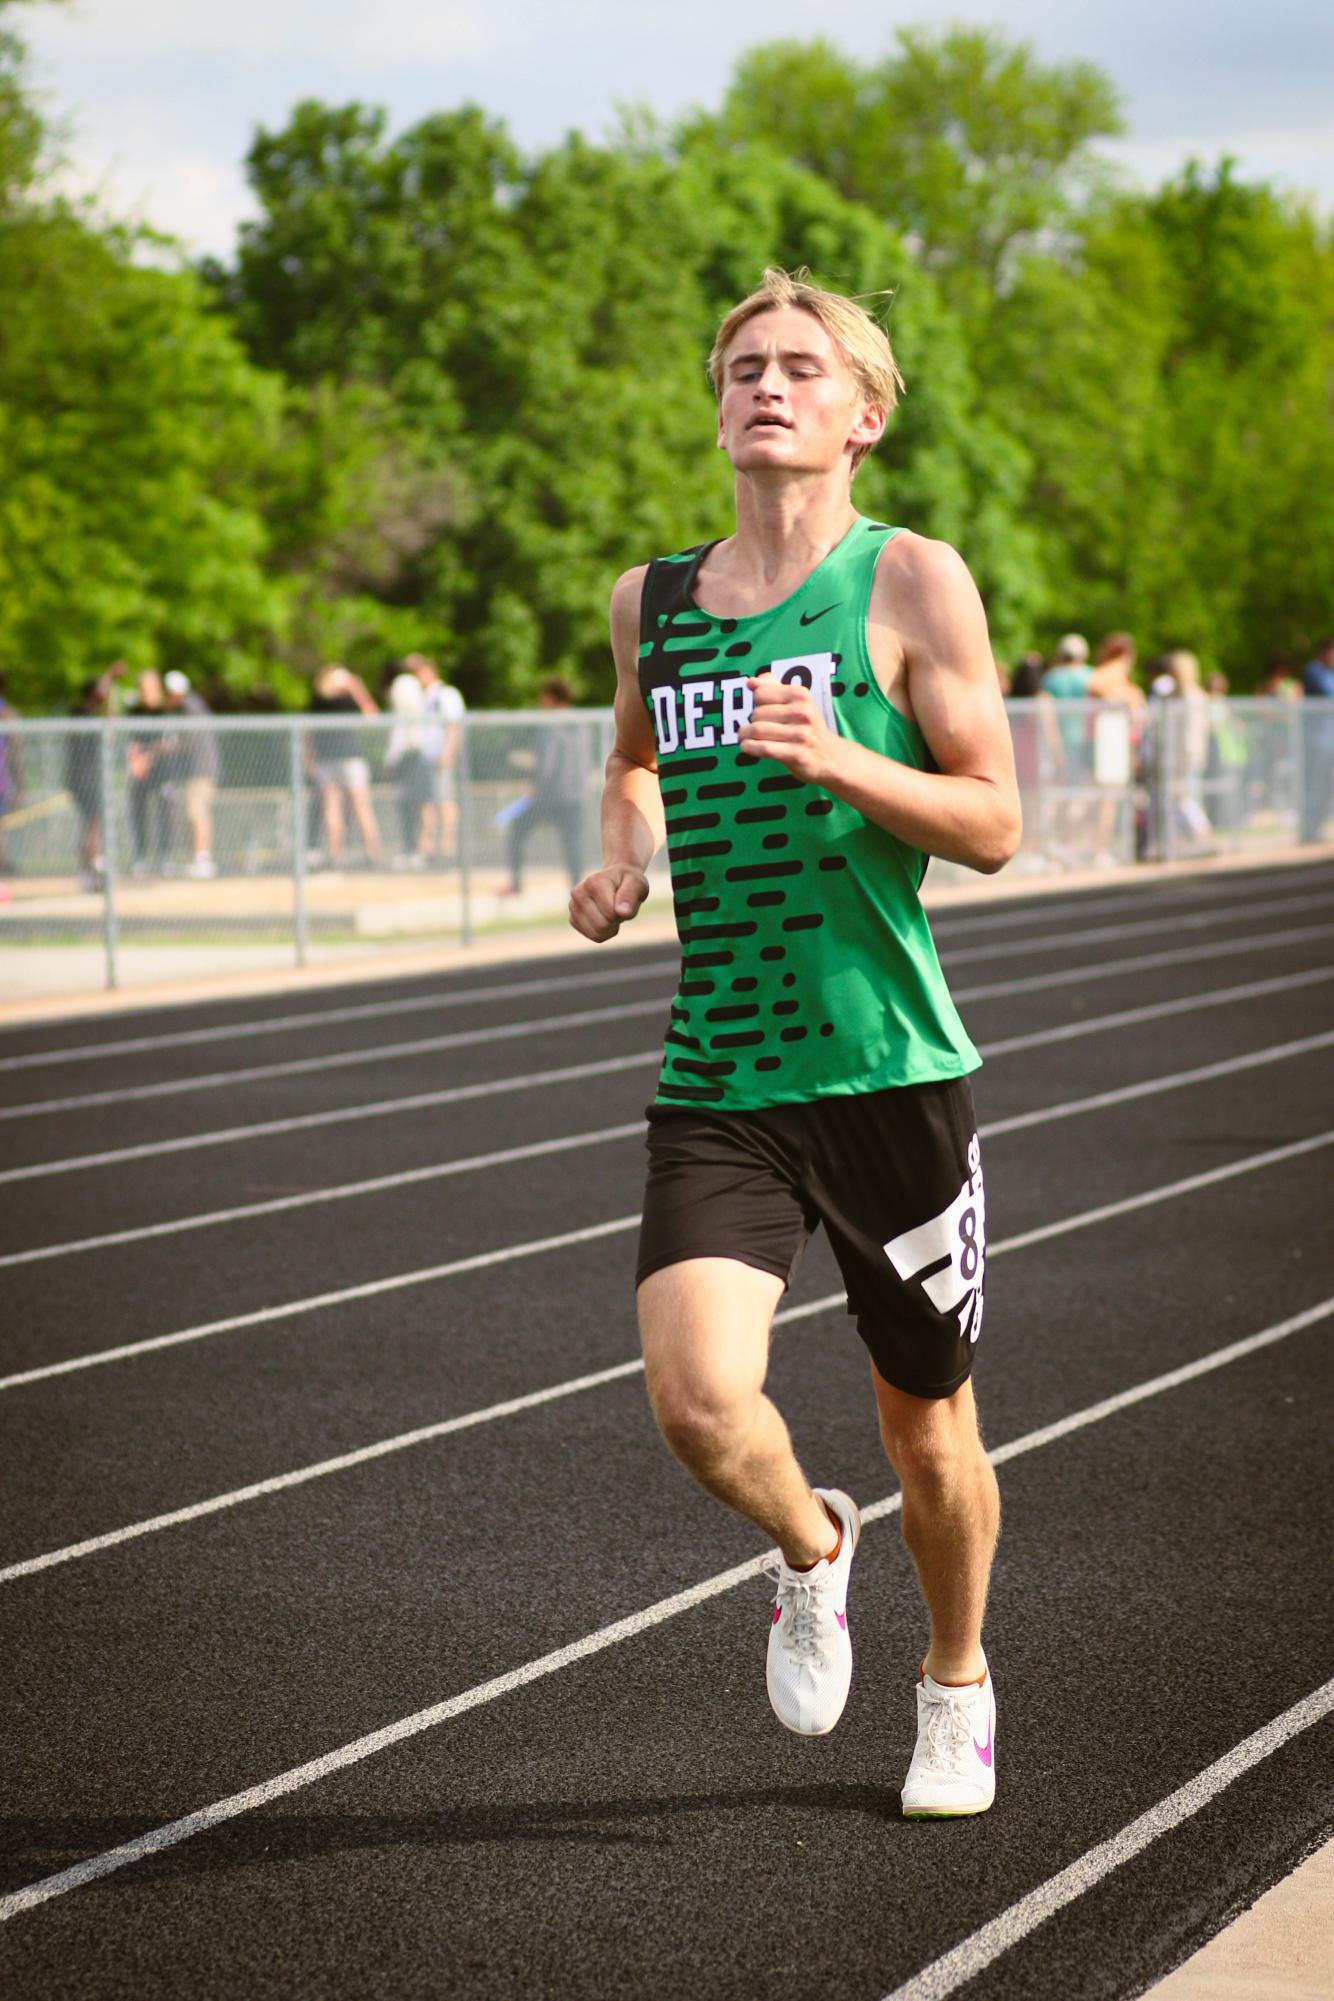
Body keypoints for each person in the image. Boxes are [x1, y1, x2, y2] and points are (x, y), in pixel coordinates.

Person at [569, 267, 1020, 1817]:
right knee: (698, 1402)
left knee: (929, 1427)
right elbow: (630, 755)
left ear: (861, 416)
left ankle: (953, 1676)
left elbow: (995, 823)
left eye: (801, 368)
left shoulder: (910, 583)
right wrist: (621, 852)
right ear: (717, 406)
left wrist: (841, 758)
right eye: (743, 365)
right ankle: (812, 1550)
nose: (767, 385)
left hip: (889, 1071)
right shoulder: (653, 600)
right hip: (722, 1075)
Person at [499, 677, 588, 894]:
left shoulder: (551, 725)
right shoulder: (581, 723)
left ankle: (516, 884)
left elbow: (547, 764)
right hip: (576, 794)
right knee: (573, 846)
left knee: (517, 831)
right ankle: (577, 890)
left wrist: (535, 787)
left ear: (550, 698)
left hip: (551, 797)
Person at [307, 664, 383, 869]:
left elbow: (309, 734)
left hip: (326, 759)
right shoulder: (347, 700)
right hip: (349, 758)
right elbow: (372, 714)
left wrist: (309, 759)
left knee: (333, 808)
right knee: (360, 806)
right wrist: (357, 689)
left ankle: (337, 855)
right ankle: (373, 854)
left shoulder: (317, 702)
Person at [162, 670, 220, 878]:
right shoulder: (189, 706)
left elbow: (190, 740)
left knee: (197, 813)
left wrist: (165, 747)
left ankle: (202, 858)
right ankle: (199, 856)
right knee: (194, 813)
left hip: (200, 770)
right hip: (196, 770)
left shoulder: (190, 707)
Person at [410, 654, 466, 864]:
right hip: (426, 755)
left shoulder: (446, 694)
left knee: (444, 801)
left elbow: (453, 727)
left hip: (440, 756)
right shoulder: (424, 697)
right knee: (426, 803)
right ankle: (427, 847)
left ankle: (447, 846)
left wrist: (448, 753)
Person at [383, 657, 431, 865]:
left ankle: (413, 849)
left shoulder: (400, 686)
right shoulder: (412, 685)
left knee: (407, 804)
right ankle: (418, 849)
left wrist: (390, 758)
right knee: (418, 802)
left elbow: (401, 727)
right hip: (417, 751)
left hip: (407, 754)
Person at [126, 670, 171, 874]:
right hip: (140, 771)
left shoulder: (165, 711)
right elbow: (130, 740)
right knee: (138, 812)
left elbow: (169, 741)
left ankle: (164, 857)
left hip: (162, 770)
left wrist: (150, 754)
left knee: (164, 812)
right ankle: (140, 856)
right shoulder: (135, 711)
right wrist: (136, 758)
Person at [1300, 637, 1334, 842]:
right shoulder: (1314, 671)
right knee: (1314, 784)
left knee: (1326, 785)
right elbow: (1328, 692)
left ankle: (1317, 826)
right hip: (1317, 740)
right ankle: (1309, 829)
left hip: (1329, 739)